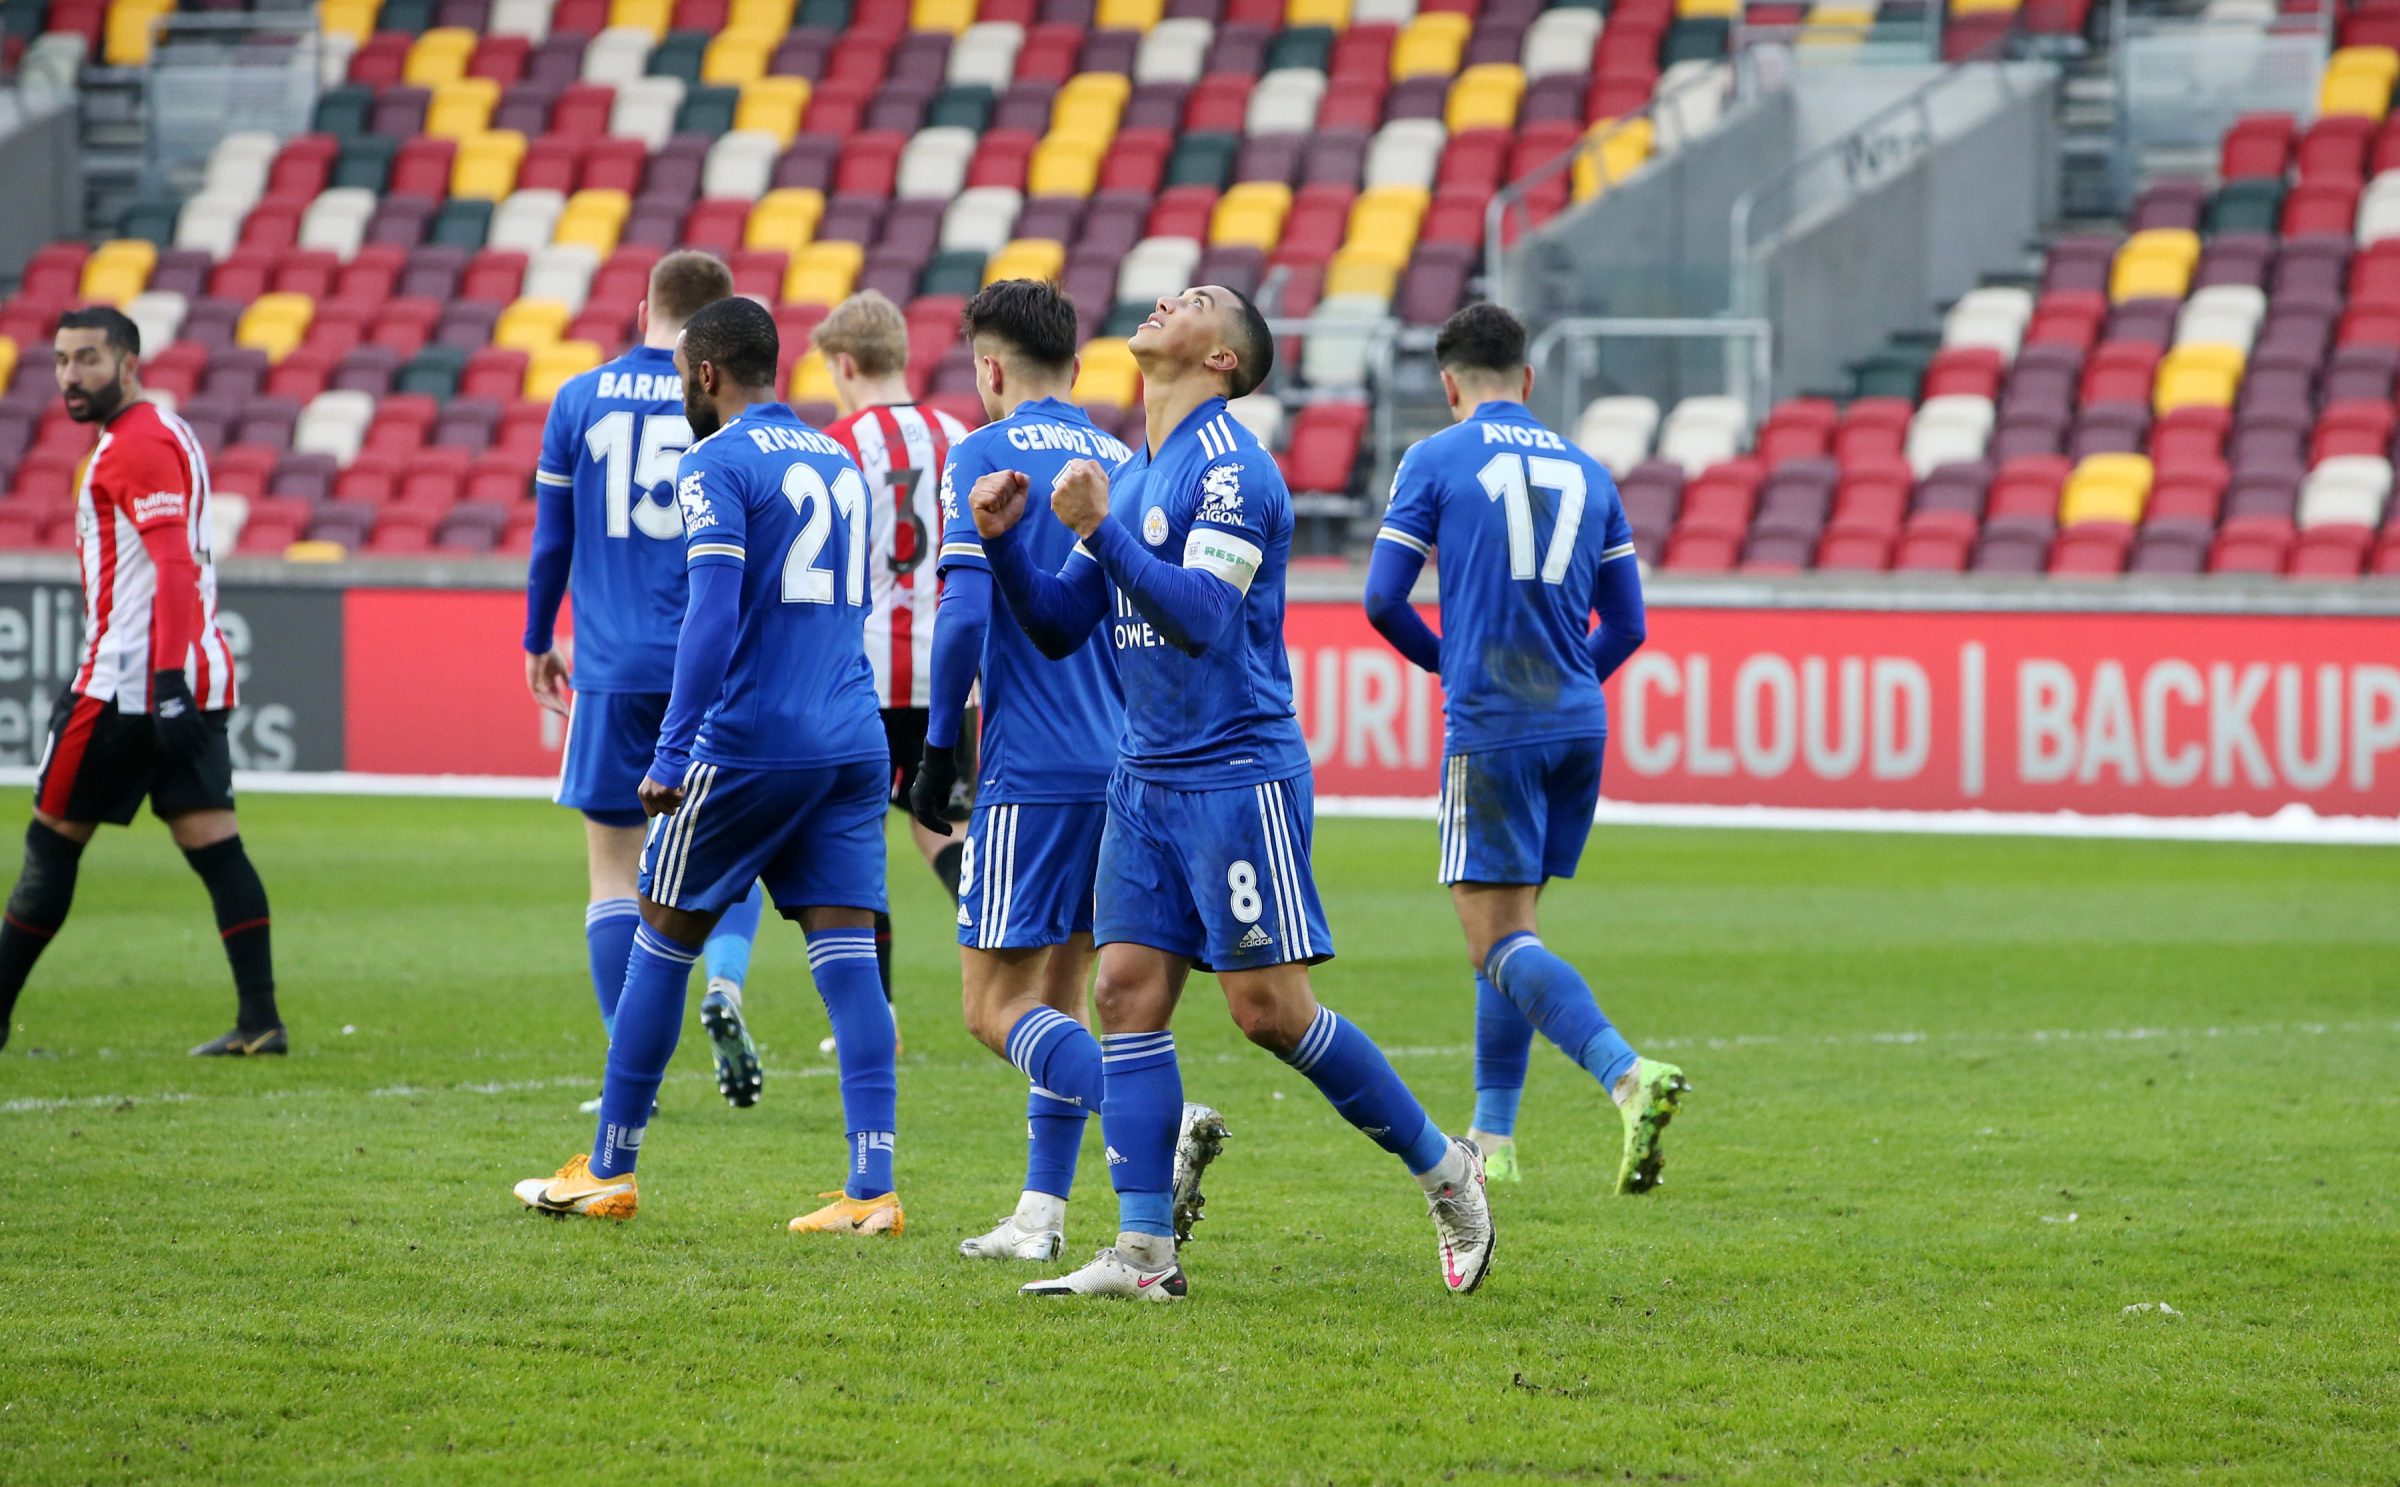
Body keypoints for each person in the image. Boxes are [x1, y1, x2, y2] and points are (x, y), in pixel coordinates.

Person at [969, 285, 1495, 1301]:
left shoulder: (1233, 469)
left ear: (1223, 359)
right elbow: (1061, 625)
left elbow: (1206, 614)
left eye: (1197, 301)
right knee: (1122, 993)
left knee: (1269, 1012)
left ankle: (1447, 1170)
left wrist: (1099, 530)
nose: (1169, 300)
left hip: (1235, 773)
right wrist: (1002, 542)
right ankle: (1143, 1253)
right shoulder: (1134, 473)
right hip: (1142, 775)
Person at [515, 297, 902, 1234]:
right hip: (851, 738)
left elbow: (713, 611)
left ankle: (608, 1167)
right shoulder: (837, 459)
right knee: (849, 960)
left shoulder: (715, 461)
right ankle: (872, 1188)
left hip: (754, 740)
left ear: (705, 373)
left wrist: (673, 747)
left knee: (659, 932)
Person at [911, 280, 1224, 1264]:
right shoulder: (1123, 463)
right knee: (1062, 991)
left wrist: (938, 748)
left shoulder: (982, 452)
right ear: (1078, 367)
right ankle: (1041, 1214)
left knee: (991, 1006)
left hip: (1031, 768)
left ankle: (1160, 1119)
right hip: (1119, 766)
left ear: (989, 368)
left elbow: (964, 615)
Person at [1362, 301, 1687, 1194]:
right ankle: (1493, 1136)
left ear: (1449, 383)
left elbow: (1383, 598)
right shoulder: (1589, 469)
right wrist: (1571, 678)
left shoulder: (1435, 457)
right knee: (1512, 928)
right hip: (1578, 723)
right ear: (1529, 378)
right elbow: (1628, 624)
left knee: (1494, 936)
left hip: (1494, 720)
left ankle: (1626, 1073)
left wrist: (1450, 663)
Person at [523, 250, 767, 1110]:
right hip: (719, 663)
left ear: (642, 313)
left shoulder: (578, 398)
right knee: (733, 851)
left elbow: (552, 539)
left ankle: (632, 1076)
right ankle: (724, 983)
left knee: (612, 871)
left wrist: (537, 637)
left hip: (612, 667)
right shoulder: (728, 402)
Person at [0, 307, 278, 1057]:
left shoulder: (135, 445)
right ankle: (260, 1021)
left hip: (126, 687)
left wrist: (163, 683)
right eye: (62, 361)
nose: (70, 376)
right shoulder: (165, 431)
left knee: (50, 847)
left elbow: (173, 564)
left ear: (128, 364)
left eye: (88, 359)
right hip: (189, 676)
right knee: (214, 844)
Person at [814, 291, 973, 1011]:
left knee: (855, 841)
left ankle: (877, 1017)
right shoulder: (958, 435)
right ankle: (1011, 960)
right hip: (952, 673)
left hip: (864, 676)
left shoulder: (838, 444)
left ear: (845, 365)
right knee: (948, 829)